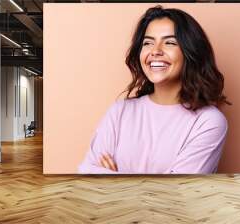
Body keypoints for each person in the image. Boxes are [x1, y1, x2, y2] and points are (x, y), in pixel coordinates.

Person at [78, 5, 228, 174]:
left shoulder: (208, 121)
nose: (155, 51)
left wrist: (114, 178)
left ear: (190, 52)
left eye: (170, 42)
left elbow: (179, 192)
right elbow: (87, 172)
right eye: (148, 42)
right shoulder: (119, 111)